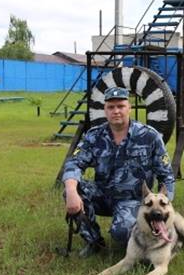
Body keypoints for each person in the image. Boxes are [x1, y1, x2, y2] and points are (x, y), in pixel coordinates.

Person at [62, 86, 176, 257]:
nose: (116, 111)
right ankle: (94, 241)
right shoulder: (94, 136)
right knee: (72, 189)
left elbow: (166, 175)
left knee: (121, 233)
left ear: (129, 107)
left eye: (120, 106)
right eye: (111, 107)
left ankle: (140, 235)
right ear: (105, 110)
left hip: (133, 200)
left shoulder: (149, 136)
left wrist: (163, 208)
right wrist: (71, 191)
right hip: (103, 193)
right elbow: (74, 163)